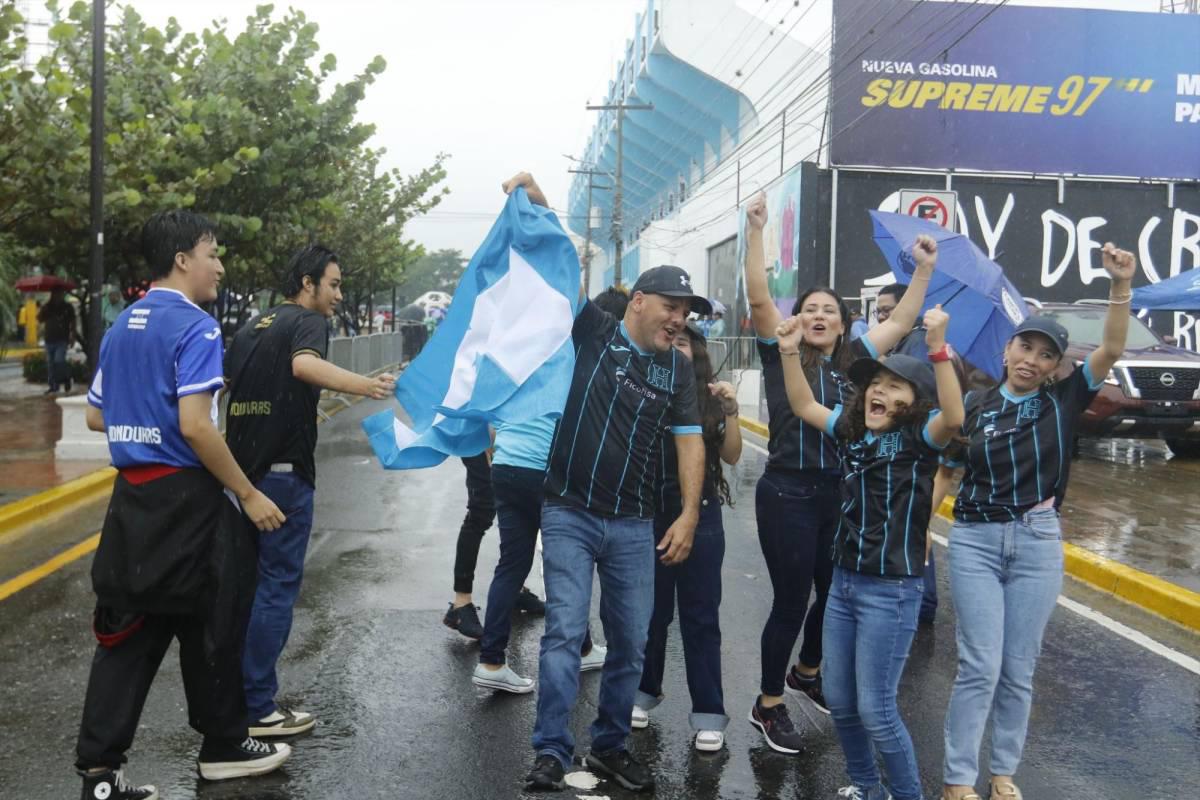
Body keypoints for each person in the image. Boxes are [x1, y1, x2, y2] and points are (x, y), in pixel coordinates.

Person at [77, 210, 290, 800]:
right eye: (212, 253)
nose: (219, 266)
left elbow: (98, 413)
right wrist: (247, 494)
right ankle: (222, 746)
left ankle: (100, 775)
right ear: (182, 260)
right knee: (215, 621)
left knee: (132, 631)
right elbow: (197, 426)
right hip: (188, 502)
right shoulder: (196, 327)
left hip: (133, 503)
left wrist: (141, 423)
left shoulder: (124, 325)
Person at [509, 172, 707, 794]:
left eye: (686, 312)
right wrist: (539, 204)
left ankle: (609, 746)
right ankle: (549, 750)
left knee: (633, 641)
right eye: (671, 308)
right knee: (566, 630)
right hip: (567, 508)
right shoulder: (594, 330)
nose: (678, 320)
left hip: (632, 523)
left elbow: (691, 441)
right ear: (638, 303)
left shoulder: (678, 370)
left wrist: (690, 514)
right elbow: (561, 267)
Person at [741, 192, 936, 754]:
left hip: (842, 495)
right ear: (797, 319)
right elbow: (758, 296)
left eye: (830, 310)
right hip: (788, 492)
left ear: (845, 323)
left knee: (834, 593)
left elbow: (902, 319)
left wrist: (922, 271)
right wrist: (756, 231)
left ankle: (808, 669)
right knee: (791, 598)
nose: (819, 316)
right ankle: (768, 704)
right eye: (810, 309)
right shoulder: (782, 352)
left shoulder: (855, 363)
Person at [940, 244, 1136, 800]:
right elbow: (948, 471)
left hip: (1038, 540)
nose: (1032, 359)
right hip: (975, 539)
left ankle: (1002, 773)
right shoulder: (974, 406)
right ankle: (958, 777)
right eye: (1025, 346)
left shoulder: (1065, 399)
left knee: (1018, 668)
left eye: (1045, 354)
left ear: (1056, 366)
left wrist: (1119, 286)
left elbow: (1115, 345)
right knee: (980, 664)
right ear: (1007, 349)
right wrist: (915, 532)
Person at [778, 295, 964, 800]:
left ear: (914, 401)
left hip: (892, 591)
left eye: (894, 386)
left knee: (877, 710)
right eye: (874, 385)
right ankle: (867, 787)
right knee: (839, 700)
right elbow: (802, 405)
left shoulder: (920, 439)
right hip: (844, 584)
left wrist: (938, 348)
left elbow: (954, 413)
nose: (879, 392)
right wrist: (790, 352)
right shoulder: (853, 433)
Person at [223, 244, 395, 738]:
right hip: (282, 481)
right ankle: (259, 709)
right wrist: (366, 386)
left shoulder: (251, 327)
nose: (338, 295)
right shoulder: (308, 322)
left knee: (246, 592)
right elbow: (305, 366)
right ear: (307, 282)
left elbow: (223, 386)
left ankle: (234, 701)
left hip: (242, 478)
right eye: (334, 284)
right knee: (276, 590)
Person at [469, 288, 631, 693]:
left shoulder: (518, 352)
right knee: (564, 564)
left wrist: (500, 456)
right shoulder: (572, 353)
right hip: (544, 471)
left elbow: (491, 418)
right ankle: (580, 647)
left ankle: (491, 662)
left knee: (512, 564)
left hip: (506, 465)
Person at [633, 321, 741, 753]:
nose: (677, 348)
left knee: (700, 617)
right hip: (649, 512)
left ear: (697, 352)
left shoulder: (709, 398)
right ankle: (643, 692)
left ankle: (709, 714)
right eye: (671, 341)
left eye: (685, 343)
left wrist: (731, 411)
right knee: (652, 613)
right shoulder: (642, 388)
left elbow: (731, 454)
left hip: (703, 515)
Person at [39, 286, 75, 394]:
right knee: (50, 363)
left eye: (60, 293)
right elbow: (40, 319)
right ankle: (53, 385)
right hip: (49, 338)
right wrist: (43, 309)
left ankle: (66, 378)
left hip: (61, 339)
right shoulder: (47, 307)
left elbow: (73, 322)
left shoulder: (67, 307)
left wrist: (72, 336)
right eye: (55, 293)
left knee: (59, 361)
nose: (58, 296)